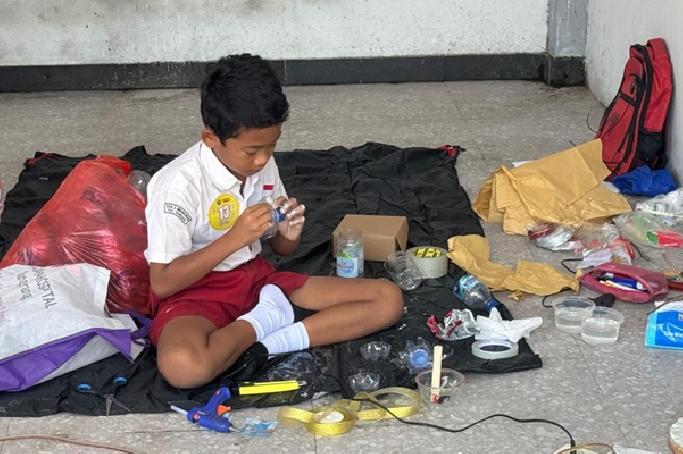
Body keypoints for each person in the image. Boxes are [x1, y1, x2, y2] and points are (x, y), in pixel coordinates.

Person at [144, 54, 404, 388]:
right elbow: (162, 282)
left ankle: (270, 344)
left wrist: (288, 234)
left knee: (387, 299)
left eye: (272, 146)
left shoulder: (263, 164)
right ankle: (263, 322)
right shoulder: (177, 185)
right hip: (195, 293)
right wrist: (235, 238)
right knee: (185, 367)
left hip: (258, 280)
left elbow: (281, 249)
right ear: (210, 138)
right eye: (251, 151)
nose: (263, 159)